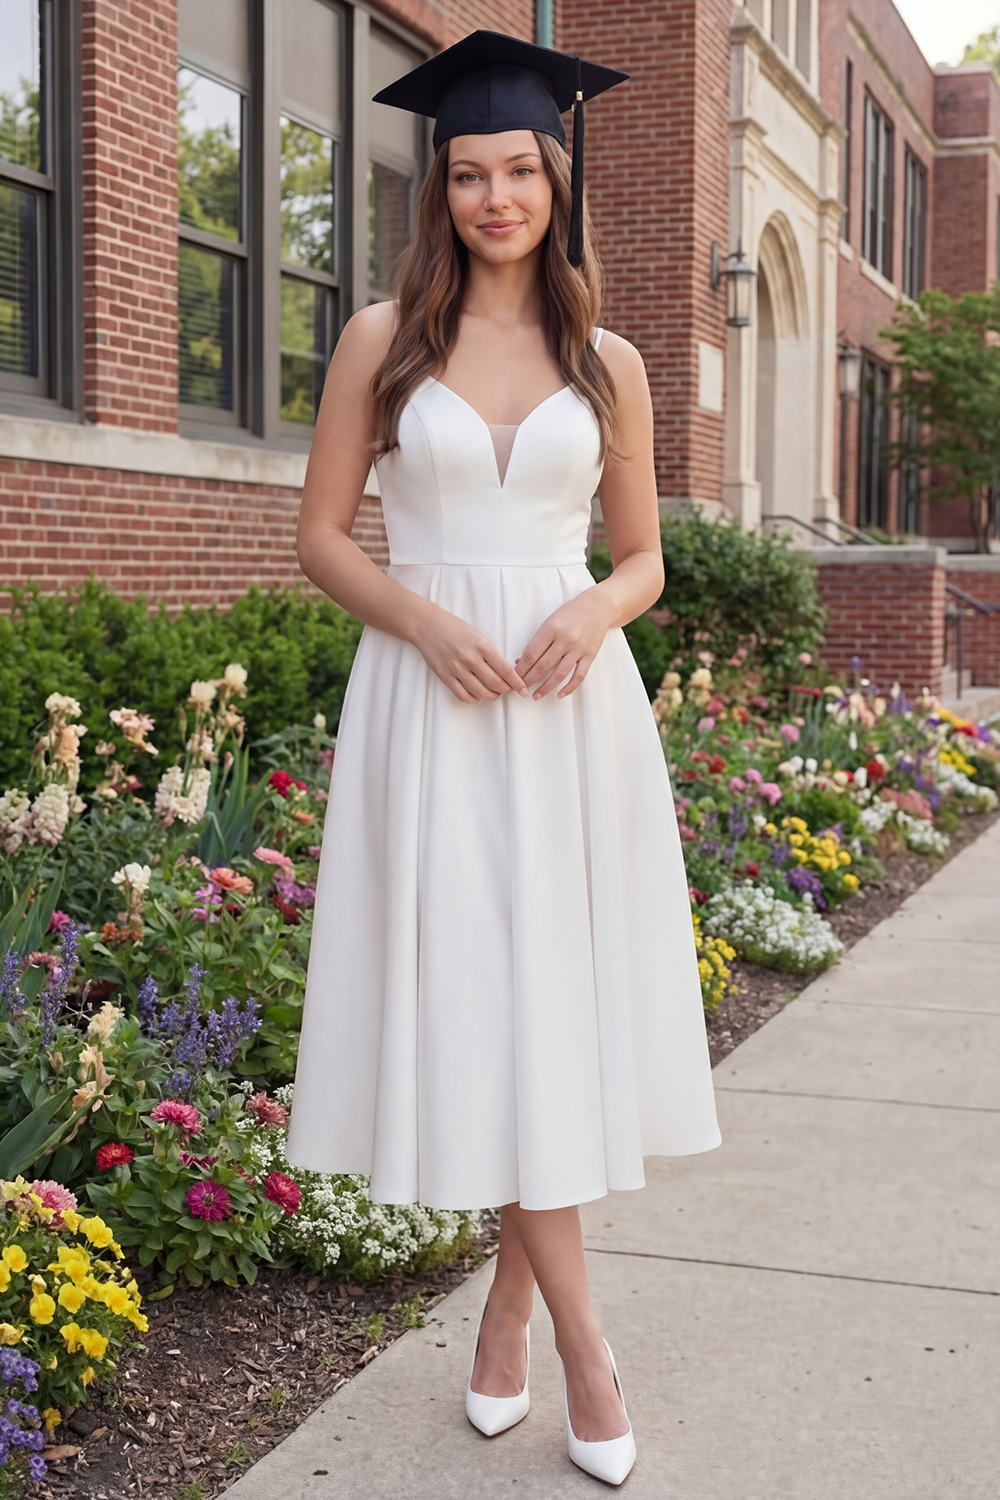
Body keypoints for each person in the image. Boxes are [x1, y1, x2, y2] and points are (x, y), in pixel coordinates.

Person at [287, 30, 721, 1486]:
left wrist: (596, 607)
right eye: (468, 174)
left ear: (556, 176)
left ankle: (509, 1322)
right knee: (482, 1001)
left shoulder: (610, 361)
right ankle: (590, 1353)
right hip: (432, 711)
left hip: (569, 715)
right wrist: (420, 621)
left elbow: (647, 557)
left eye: (518, 170)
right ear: (441, 187)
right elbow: (321, 537)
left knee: (551, 1009)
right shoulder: (378, 340)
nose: (494, 196)